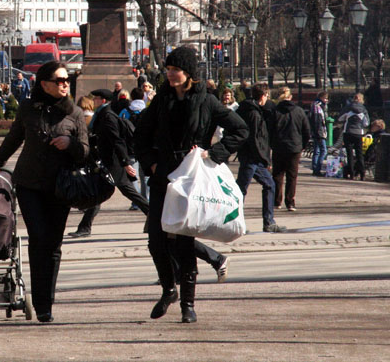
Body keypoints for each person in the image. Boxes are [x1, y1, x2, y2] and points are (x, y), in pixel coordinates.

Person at [134, 46, 247, 323]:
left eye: (176, 70)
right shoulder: (161, 100)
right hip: (164, 176)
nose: (170, 74)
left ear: (189, 74)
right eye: (168, 70)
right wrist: (151, 163)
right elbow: (140, 135)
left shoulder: (206, 101)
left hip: (192, 176)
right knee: (156, 240)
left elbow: (241, 129)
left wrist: (215, 152)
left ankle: (188, 304)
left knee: (184, 240)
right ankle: (168, 289)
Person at [0, 62, 89, 323]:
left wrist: (71, 143)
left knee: (53, 244)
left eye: (67, 79)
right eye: (60, 80)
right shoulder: (28, 108)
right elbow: (14, 137)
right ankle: (40, 299)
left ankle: (46, 305)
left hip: (61, 187)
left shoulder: (75, 113)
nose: (65, 84)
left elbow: (87, 151)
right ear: (44, 84)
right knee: (38, 238)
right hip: (30, 184)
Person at [68, 89, 147, 236]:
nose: (94, 101)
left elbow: (116, 141)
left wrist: (125, 163)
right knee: (101, 194)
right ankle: (85, 227)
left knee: (126, 193)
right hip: (108, 162)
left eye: (96, 98)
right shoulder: (102, 114)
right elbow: (100, 137)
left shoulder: (108, 116)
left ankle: (155, 218)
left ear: (103, 100)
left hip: (113, 164)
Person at [235, 84, 287, 233]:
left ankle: (268, 221)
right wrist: (265, 159)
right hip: (252, 157)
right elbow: (256, 139)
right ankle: (238, 222)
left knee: (268, 185)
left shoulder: (250, 109)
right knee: (241, 190)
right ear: (263, 95)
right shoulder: (254, 114)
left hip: (252, 157)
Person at [269, 87, 311, 211]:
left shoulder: (275, 111)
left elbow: (269, 130)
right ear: (291, 97)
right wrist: (302, 145)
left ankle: (277, 201)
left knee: (277, 175)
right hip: (294, 147)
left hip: (279, 146)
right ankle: (290, 202)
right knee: (292, 176)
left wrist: (272, 144)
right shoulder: (299, 111)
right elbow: (306, 130)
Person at [338, 93, 370, 181]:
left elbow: (340, 118)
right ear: (362, 100)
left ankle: (351, 173)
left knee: (349, 153)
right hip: (359, 133)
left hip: (348, 132)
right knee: (359, 154)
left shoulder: (348, 108)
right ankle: (362, 173)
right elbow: (366, 123)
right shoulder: (363, 110)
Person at [309, 91, 329, 177]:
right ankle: (318, 169)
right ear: (321, 97)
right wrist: (319, 131)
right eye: (325, 98)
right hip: (319, 131)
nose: (326, 100)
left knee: (316, 150)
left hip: (316, 131)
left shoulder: (316, 105)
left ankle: (315, 168)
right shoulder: (318, 106)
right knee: (323, 150)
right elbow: (317, 120)